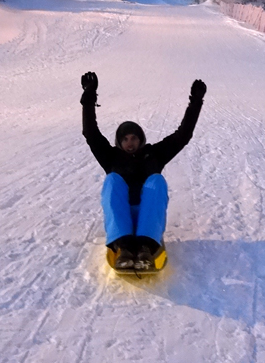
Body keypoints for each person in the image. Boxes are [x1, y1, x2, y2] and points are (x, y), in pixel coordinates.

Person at [80, 71, 206, 271]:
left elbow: (183, 135)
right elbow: (91, 133)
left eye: (134, 138)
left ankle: (146, 246)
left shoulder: (154, 154)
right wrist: (89, 96)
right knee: (112, 179)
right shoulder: (111, 156)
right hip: (122, 214)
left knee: (156, 180)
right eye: (125, 139)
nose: (130, 143)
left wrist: (195, 102)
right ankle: (124, 247)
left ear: (141, 140)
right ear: (119, 142)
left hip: (148, 214)